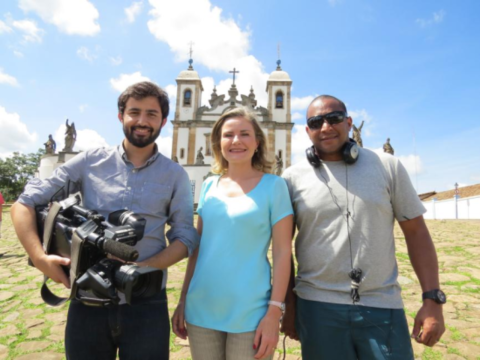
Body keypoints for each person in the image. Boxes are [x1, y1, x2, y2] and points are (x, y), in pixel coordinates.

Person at [11, 81, 199, 360]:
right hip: (88, 296)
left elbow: (185, 237)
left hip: (146, 302)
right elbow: (24, 203)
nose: (142, 121)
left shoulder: (175, 175)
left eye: (151, 114)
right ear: (121, 115)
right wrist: (39, 258)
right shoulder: (89, 162)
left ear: (163, 121)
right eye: (134, 112)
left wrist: (143, 267)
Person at [281, 95, 445, 359]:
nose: (326, 127)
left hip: (381, 304)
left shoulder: (387, 166)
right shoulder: (291, 178)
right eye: (316, 122)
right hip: (316, 307)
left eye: (334, 118)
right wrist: (289, 306)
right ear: (307, 130)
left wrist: (432, 299)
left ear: (349, 122)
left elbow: (416, 233)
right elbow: (281, 249)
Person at [172, 107, 294, 360]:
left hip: (251, 313)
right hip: (201, 308)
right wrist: (183, 299)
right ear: (218, 142)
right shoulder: (208, 185)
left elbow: (283, 252)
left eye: (245, 134)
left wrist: (273, 313)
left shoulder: (275, 186)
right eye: (228, 135)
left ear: (257, 141)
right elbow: (198, 249)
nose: (236, 141)